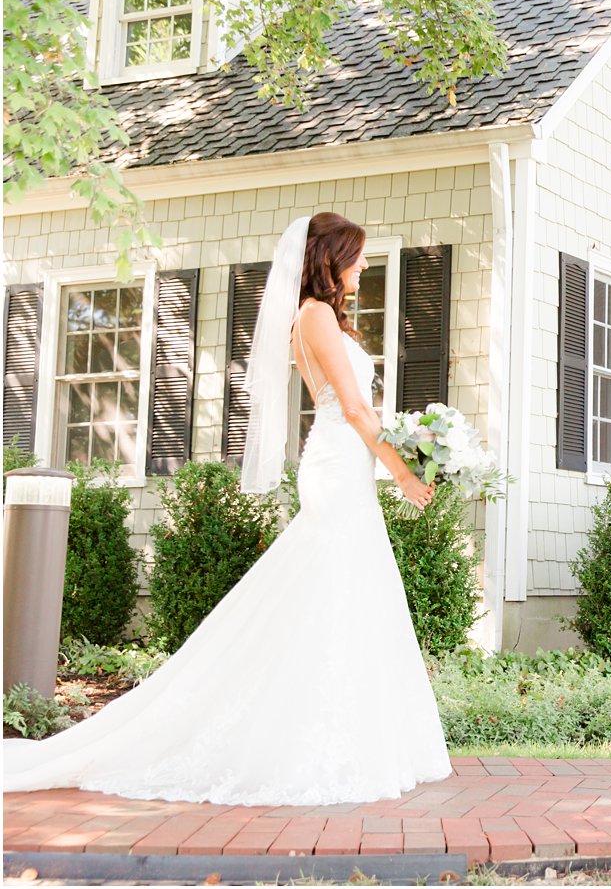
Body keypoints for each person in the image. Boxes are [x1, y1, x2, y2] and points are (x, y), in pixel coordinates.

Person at [3, 212, 453, 806]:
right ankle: (306, 737)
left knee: (345, 592)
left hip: (345, 465)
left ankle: (345, 730)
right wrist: (403, 471)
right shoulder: (314, 316)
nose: (365, 265)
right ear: (331, 258)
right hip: (339, 468)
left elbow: (358, 411)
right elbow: (352, 406)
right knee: (334, 588)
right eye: (358, 255)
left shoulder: (320, 318)